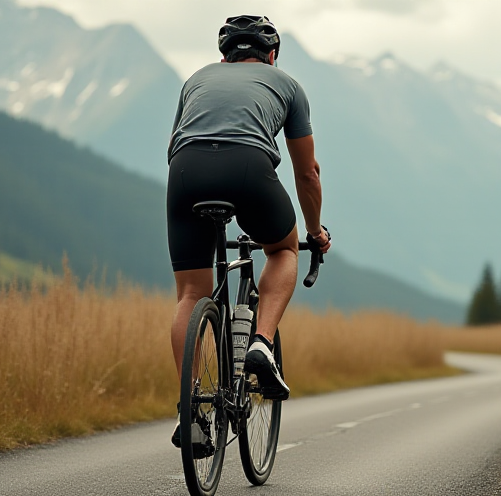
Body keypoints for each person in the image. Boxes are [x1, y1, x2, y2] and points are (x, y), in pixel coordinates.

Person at [166, 15, 330, 448]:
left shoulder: (196, 80)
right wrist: (313, 232)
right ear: (272, 55)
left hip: (185, 171)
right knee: (282, 250)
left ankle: (191, 412)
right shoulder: (288, 86)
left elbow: (175, 145)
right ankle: (260, 342)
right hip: (248, 167)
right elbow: (307, 174)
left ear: (223, 56)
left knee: (190, 294)